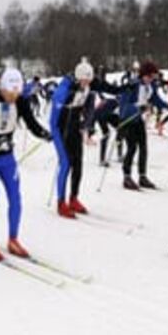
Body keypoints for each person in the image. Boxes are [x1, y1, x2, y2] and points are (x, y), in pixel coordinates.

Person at [0, 68, 52, 261]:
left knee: (16, 198)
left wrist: (45, 134)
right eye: (10, 93)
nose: (13, 97)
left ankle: (13, 239)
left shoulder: (20, 101)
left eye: (16, 93)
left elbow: (31, 123)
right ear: (2, 88)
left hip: (7, 157)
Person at [50, 58, 101, 218]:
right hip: (59, 128)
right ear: (78, 78)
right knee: (65, 163)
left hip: (73, 128)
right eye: (84, 81)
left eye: (89, 81)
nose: (86, 84)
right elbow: (55, 115)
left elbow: (89, 108)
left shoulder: (87, 89)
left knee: (78, 163)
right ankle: (60, 202)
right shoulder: (64, 88)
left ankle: (73, 198)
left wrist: (86, 126)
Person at [117, 61, 168, 190]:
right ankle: (127, 176)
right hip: (128, 120)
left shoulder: (151, 86)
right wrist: (138, 108)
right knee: (132, 148)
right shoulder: (133, 85)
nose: (152, 79)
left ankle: (142, 176)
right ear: (144, 75)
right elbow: (124, 104)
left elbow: (155, 99)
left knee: (143, 147)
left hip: (138, 119)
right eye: (150, 76)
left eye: (153, 77)